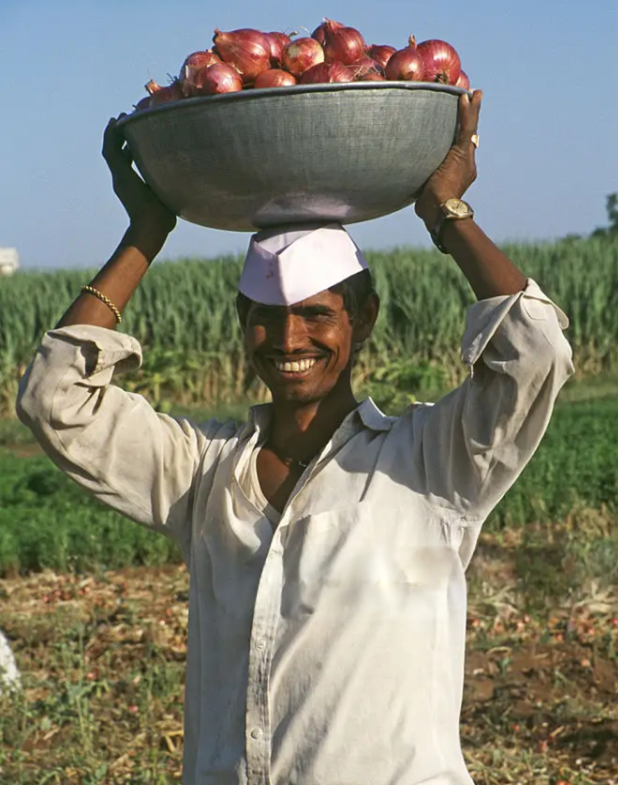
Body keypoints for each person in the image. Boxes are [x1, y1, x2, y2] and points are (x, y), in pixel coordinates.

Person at [16, 91, 573, 785]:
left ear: (362, 317)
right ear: (240, 319)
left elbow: (536, 352)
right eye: (266, 317)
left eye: (316, 314)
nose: (289, 339)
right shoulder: (205, 475)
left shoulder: (430, 464)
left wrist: (445, 212)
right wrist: (146, 233)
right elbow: (55, 398)